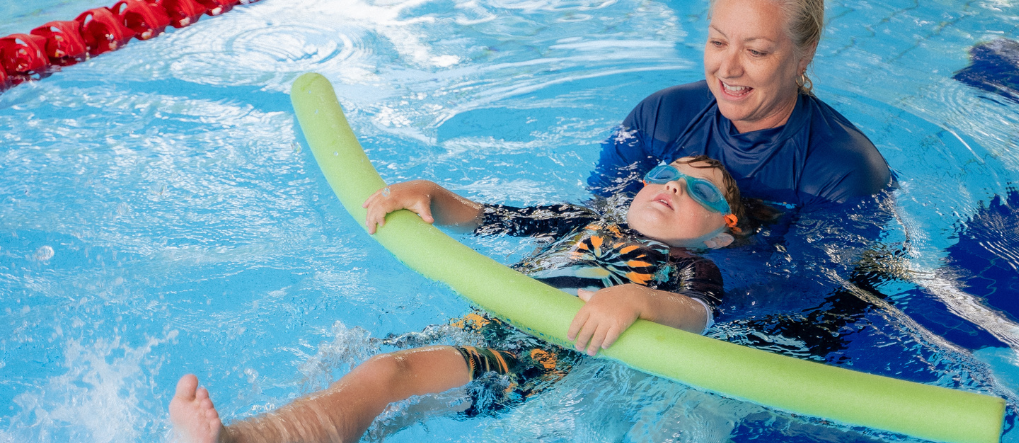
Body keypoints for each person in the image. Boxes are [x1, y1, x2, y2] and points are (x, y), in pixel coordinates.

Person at [169, 156, 765, 443]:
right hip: (481, 323)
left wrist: (637, 302)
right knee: (358, 371)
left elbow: (697, 318)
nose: (671, 187)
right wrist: (428, 193)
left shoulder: (691, 265)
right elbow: (486, 218)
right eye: (666, 173)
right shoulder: (580, 219)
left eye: (698, 191)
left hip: (531, 358)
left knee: (386, 375)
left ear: (720, 230)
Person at [590, 0, 892, 208]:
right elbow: (601, 209)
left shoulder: (844, 170)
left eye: (756, 51)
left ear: (805, 54)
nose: (728, 69)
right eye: (718, 42)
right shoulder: (662, 116)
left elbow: (805, 281)